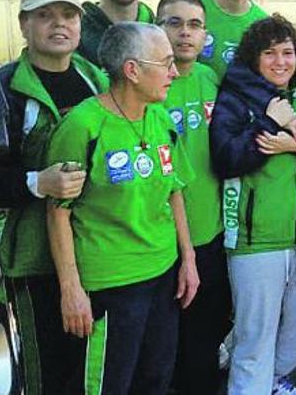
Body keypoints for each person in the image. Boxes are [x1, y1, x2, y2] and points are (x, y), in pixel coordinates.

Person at [46, 22, 199, 394]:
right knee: (108, 384)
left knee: (156, 377)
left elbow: (174, 189)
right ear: (132, 70)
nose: (175, 72)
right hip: (112, 285)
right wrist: (71, 290)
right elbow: (58, 211)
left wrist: (188, 259)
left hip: (163, 275)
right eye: (165, 63)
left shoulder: (158, 116)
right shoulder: (83, 125)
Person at [210, 14, 296, 395]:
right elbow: (227, 157)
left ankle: (274, 382)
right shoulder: (235, 102)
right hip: (256, 241)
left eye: (288, 52)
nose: (280, 61)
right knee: (254, 336)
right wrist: (269, 122)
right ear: (253, 58)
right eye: (270, 53)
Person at [0, 0, 107, 394]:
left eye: (68, 15)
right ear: (24, 25)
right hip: (32, 257)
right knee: (46, 367)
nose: (59, 24)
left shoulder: (94, 78)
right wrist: (36, 182)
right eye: (45, 15)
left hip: (92, 250)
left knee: (87, 364)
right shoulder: (5, 89)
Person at [156, 0, 231, 395]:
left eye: (195, 25)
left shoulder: (210, 79)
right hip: (160, 241)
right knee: (164, 348)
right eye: (174, 23)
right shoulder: (146, 86)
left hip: (210, 232)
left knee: (207, 334)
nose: (185, 33)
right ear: (158, 28)